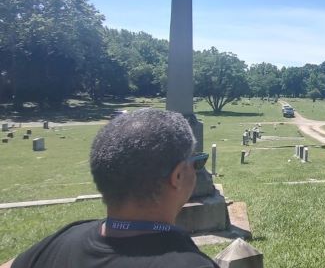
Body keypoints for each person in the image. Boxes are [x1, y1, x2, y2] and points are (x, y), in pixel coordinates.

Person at [1, 108, 217, 268]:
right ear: (177, 176)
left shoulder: (58, 241)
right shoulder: (192, 264)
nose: (197, 169)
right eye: (196, 162)